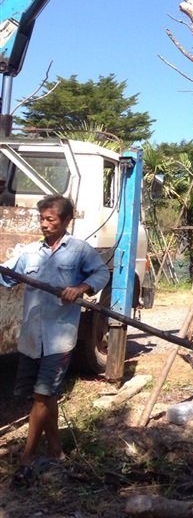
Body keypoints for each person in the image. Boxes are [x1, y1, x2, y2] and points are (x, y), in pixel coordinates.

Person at [0, 195, 109, 488]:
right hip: (31, 337)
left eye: (51, 219)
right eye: (42, 219)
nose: (44, 224)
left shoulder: (79, 251)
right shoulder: (29, 252)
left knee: (40, 396)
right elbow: (6, 276)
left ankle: (26, 458)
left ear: (66, 221)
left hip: (59, 337)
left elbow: (102, 272)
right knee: (45, 398)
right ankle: (57, 451)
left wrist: (81, 288)